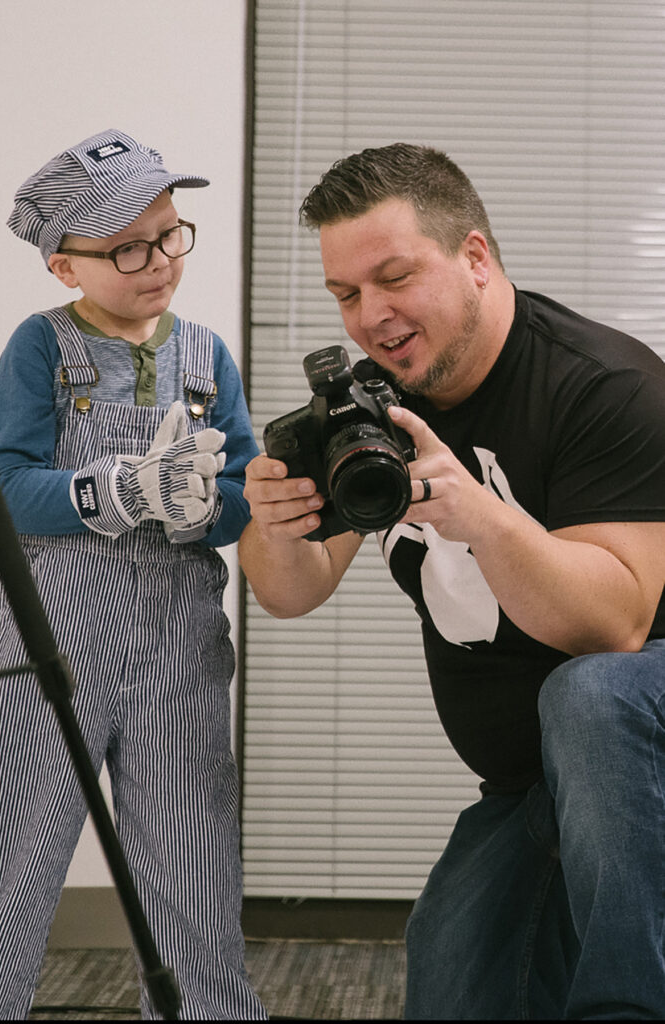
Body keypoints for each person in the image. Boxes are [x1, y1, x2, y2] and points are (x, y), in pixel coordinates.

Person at [238, 143, 665, 1020]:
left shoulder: (605, 388)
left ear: (474, 256)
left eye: (394, 278)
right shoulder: (378, 405)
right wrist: (272, 524)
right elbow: (290, 589)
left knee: (590, 693)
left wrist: (476, 513)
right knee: (454, 985)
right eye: (346, 294)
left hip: (638, 752)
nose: (371, 316)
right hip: (526, 784)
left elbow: (614, 627)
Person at [0, 129, 266, 1020]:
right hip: (48, 647)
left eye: (170, 233)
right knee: (10, 858)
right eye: (127, 249)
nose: (158, 263)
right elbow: (5, 485)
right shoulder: (43, 349)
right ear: (66, 267)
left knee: (192, 864)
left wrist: (208, 508)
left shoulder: (206, 356)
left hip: (178, 647)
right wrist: (118, 488)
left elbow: (248, 487)